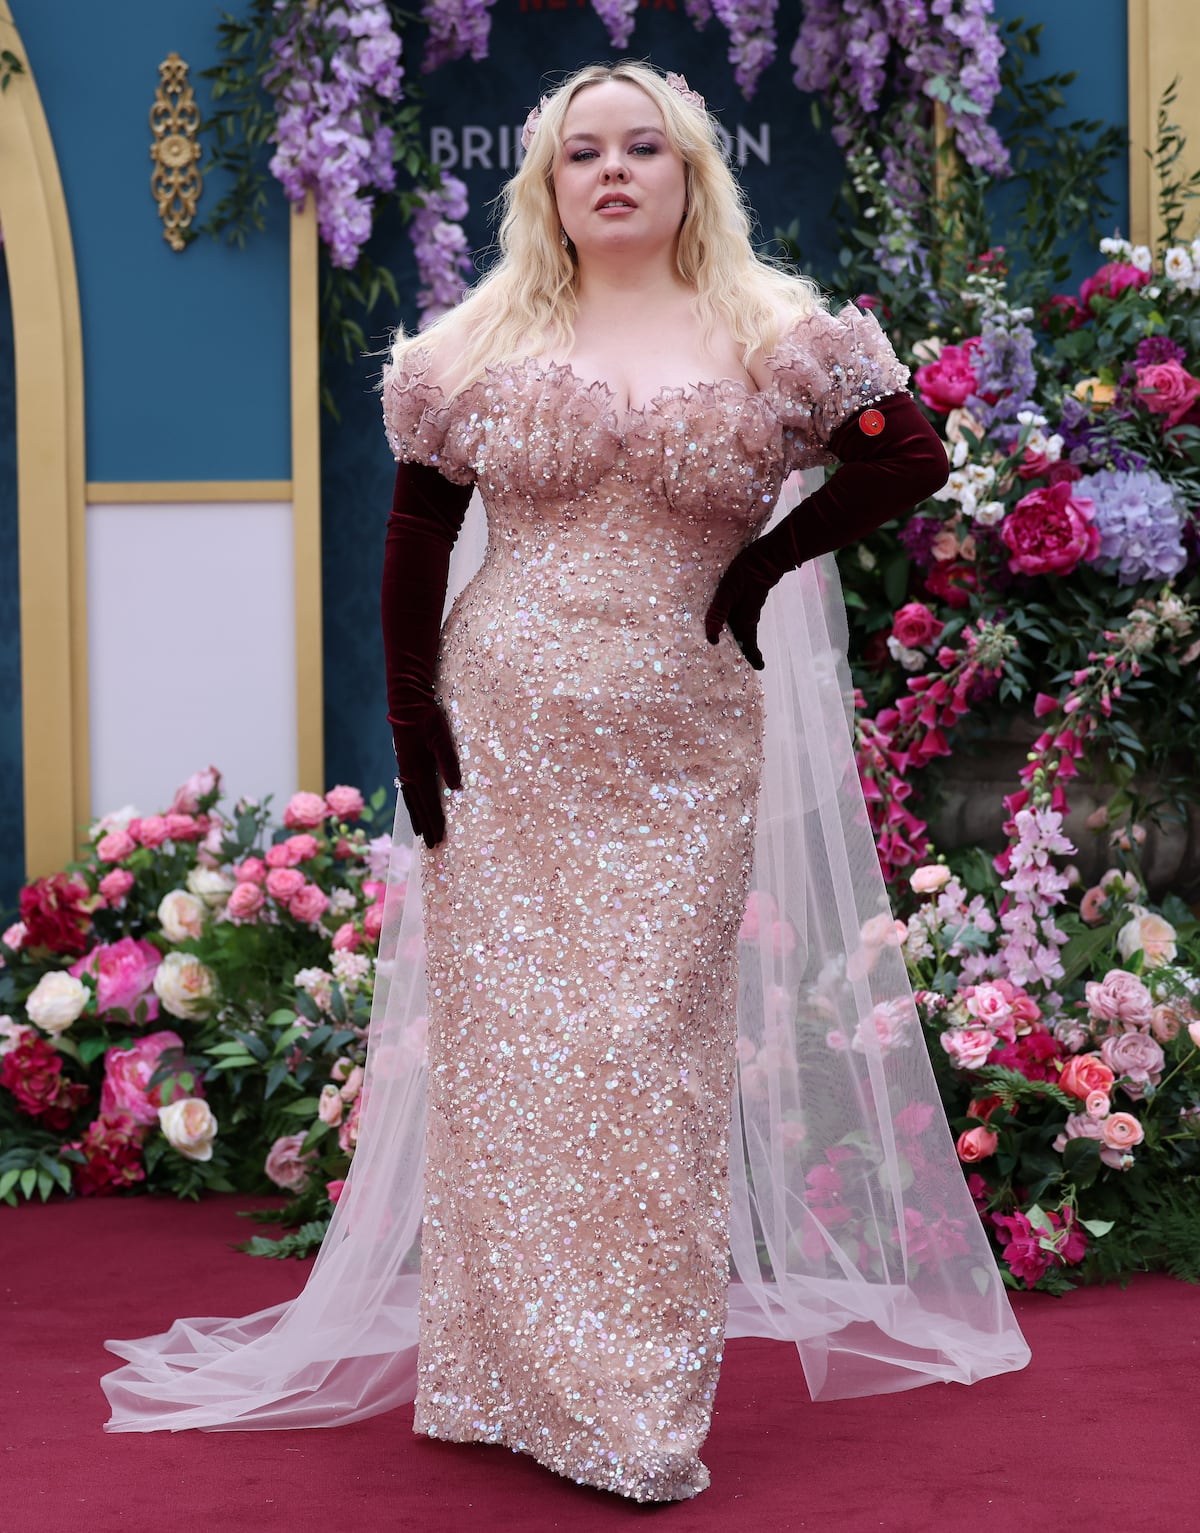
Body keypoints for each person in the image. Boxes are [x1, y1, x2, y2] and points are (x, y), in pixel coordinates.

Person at [102, 62, 1029, 1502]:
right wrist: (410, 711)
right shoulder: (483, 335)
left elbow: (907, 455)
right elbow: (418, 529)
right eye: (582, 151)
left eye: (640, 148)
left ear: (687, 172)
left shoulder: (774, 329)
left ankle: (636, 1402)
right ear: (547, 184)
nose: (611, 170)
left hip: (680, 740)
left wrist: (768, 560)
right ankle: (500, 1375)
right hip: (508, 728)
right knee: (516, 1055)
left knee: (649, 1046)